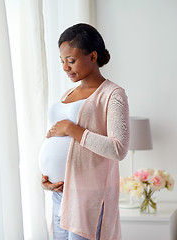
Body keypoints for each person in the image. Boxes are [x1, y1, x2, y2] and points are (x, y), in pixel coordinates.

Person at [40, 23, 129, 240]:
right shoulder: (69, 92)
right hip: (60, 193)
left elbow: (118, 149)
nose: (65, 68)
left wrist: (72, 129)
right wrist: (48, 176)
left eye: (71, 61)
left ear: (93, 56)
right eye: (62, 61)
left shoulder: (113, 94)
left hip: (87, 196)